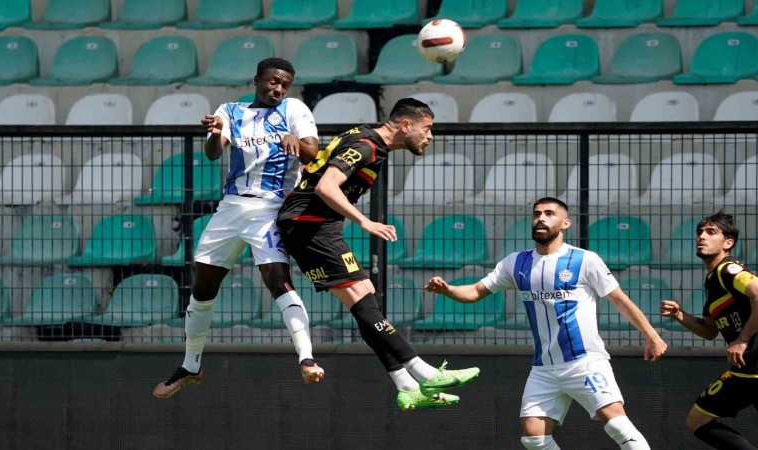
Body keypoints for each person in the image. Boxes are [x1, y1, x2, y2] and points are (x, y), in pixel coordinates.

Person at [276, 98, 480, 411]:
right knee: (363, 299)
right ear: (406, 125)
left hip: (311, 226)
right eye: (427, 128)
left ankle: (407, 385)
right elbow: (326, 187)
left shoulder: (364, 138)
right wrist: (365, 222)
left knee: (365, 301)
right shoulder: (367, 146)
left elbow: (318, 166)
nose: (430, 136)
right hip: (310, 227)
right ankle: (425, 373)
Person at [424, 197, 668, 449]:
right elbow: (476, 291)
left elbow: (619, 300)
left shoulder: (584, 260)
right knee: (534, 438)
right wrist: (448, 290)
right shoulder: (515, 262)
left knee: (617, 424)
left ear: (565, 223)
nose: (541, 218)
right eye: (537, 214)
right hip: (544, 368)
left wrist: (652, 335)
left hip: (585, 362)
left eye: (549, 213)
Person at [153, 57, 324, 398]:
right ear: (256, 79)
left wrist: (296, 140)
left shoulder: (293, 109)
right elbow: (212, 153)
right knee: (203, 287)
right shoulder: (230, 111)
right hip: (230, 207)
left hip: (271, 207)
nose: (278, 89)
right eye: (273, 81)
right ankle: (190, 364)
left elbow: (312, 153)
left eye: (284, 85)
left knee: (277, 279)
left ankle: (306, 358)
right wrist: (216, 134)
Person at [660, 211, 758, 450]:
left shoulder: (728, 271)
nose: (701, 237)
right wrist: (680, 315)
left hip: (752, 369)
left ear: (728, 243)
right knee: (697, 420)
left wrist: (742, 339)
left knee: (697, 420)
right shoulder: (712, 281)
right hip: (747, 370)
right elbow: (709, 330)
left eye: (711, 232)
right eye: (700, 232)